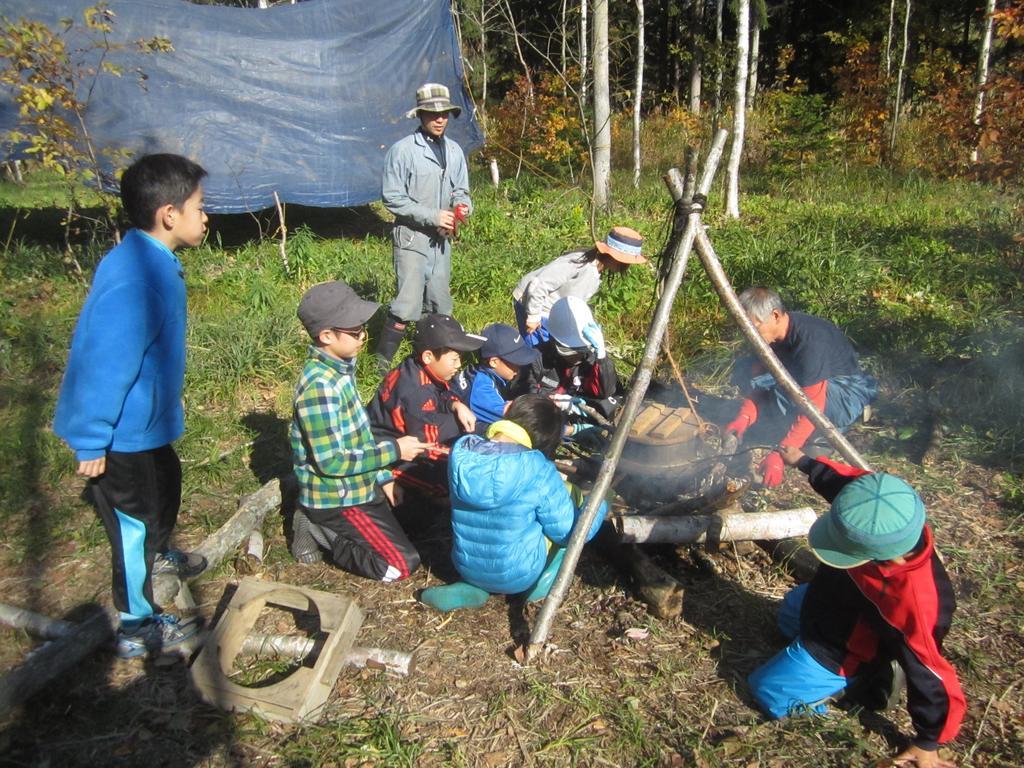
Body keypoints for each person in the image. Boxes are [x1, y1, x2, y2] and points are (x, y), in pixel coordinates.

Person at [52, 153, 209, 659]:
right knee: (133, 523)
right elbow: (104, 361)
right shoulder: (139, 276)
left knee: (167, 483)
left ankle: (159, 556)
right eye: (199, 207)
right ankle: (137, 623)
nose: (205, 217)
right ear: (169, 214)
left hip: (146, 426)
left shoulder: (151, 261)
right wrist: (92, 436)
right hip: (119, 434)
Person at [748, 447, 965, 768]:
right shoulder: (880, 502)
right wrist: (803, 461)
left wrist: (928, 740)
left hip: (846, 644)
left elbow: (931, 670)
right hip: (829, 602)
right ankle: (824, 665)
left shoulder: (914, 601)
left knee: (768, 690)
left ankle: (863, 679)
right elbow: (845, 482)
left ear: (888, 558)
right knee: (787, 614)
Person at [289, 280, 430, 581]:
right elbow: (331, 462)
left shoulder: (341, 367)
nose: (364, 337)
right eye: (355, 332)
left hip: (362, 484)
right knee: (400, 566)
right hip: (338, 499)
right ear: (326, 335)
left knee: (424, 520)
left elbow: (361, 436)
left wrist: (385, 479)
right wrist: (394, 450)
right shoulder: (319, 388)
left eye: (363, 329)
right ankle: (316, 526)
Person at [418, 394, 607, 612]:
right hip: (519, 575)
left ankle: (473, 588)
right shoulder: (537, 467)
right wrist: (599, 503)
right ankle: (539, 585)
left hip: (466, 565)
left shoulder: (462, 451)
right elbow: (570, 533)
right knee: (570, 501)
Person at [723, 287, 878, 488]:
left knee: (783, 389)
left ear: (775, 316)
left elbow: (811, 404)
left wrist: (782, 453)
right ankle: (800, 432)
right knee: (747, 368)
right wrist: (743, 417)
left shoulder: (810, 341)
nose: (749, 335)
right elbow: (759, 382)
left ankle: (821, 435)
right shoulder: (770, 337)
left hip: (844, 394)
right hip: (805, 388)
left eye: (754, 327)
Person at [375, 83, 472, 371]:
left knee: (440, 303)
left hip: (442, 241)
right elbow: (392, 198)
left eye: (445, 113)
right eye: (432, 113)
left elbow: (461, 190)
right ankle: (380, 367)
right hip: (412, 239)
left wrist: (462, 209)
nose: (440, 119)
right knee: (407, 304)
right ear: (420, 115)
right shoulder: (402, 151)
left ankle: (428, 363)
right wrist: (432, 216)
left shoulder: (454, 151)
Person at [368, 313, 485, 495]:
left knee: (465, 427)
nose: (459, 365)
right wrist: (469, 458)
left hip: (412, 429)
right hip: (395, 450)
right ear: (428, 356)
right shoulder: (417, 393)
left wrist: (456, 405)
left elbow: (443, 393)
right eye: (454, 359)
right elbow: (426, 448)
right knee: (447, 486)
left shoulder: (415, 365)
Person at [512, 226, 646, 347]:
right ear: (616, 258)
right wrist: (533, 316)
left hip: (551, 308)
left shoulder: (596, 271)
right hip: (533, 302)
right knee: (538, 353)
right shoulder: (578, 263)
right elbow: (540, 283)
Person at [531, 295, 624, 426]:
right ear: (554, 342)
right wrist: (552, 403)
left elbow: (606, 393)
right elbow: (527, 396)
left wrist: (602, 357)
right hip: (549, 423)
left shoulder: (591, 359)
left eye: (580, 351)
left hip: (583, 420)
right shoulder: (538, 358)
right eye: (572, 352)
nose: (577, 357)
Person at [451, 322, 539, 428]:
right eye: (515, 361)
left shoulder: (481, 373)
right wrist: (562, 429)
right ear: (494, 362)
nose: (519, 366)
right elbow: (523, 423)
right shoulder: (483, 391)